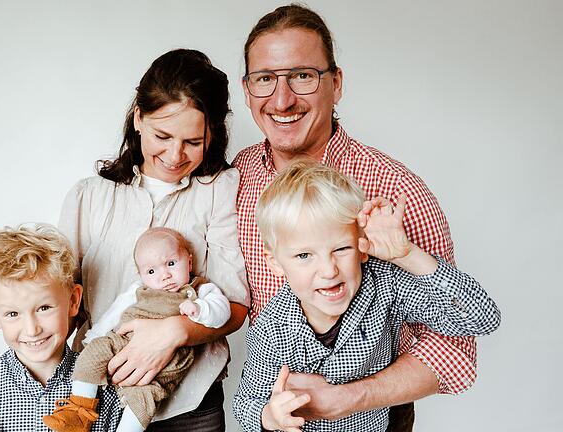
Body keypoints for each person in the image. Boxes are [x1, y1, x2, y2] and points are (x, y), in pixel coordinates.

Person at [232, 4, 476, 430]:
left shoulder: (395, 189)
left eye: (303, 76)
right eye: (265, 79)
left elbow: (455, 348)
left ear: (336, 83)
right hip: (279, 412)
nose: (282, 99)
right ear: (247, 89)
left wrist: (346, 399)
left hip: (371, 413)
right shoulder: (239, 175)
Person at [58, 48, 249, 431]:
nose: (175, 155)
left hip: (190, 402)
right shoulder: (90, 197)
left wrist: (173, 332)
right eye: (162, 135)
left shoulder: (221, 191)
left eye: (194, 142)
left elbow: (236, 305)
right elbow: (62, 299)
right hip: (99, 395)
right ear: (138, 118)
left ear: (214, 134)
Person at [233, 161, 501, 432]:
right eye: (304, 255)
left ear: (362, 247)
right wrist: (269, 416)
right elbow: (246, 403)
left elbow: (482, 318)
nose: (328, 270)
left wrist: (408, 255)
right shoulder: (271, 329)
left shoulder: (385, 288)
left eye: (341, 248)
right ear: (276, 263)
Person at [0, 224, 122, 432]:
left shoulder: (105, 386)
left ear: (73, 301)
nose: (32, 330)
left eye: (44, 308)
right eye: (13, 314)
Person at [44, 227, 231, 432]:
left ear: (189, 261)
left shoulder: (199, 290)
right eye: (152, 271)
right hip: (122, 340)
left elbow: (223, 312)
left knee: (144, 401)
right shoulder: (137, 291)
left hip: (166, 366)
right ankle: (78, 413)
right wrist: (95, 337)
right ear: (141, 275)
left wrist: (200, 309)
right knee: (90, 355)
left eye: (171, 263)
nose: (165, 275)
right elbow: (113, 314)